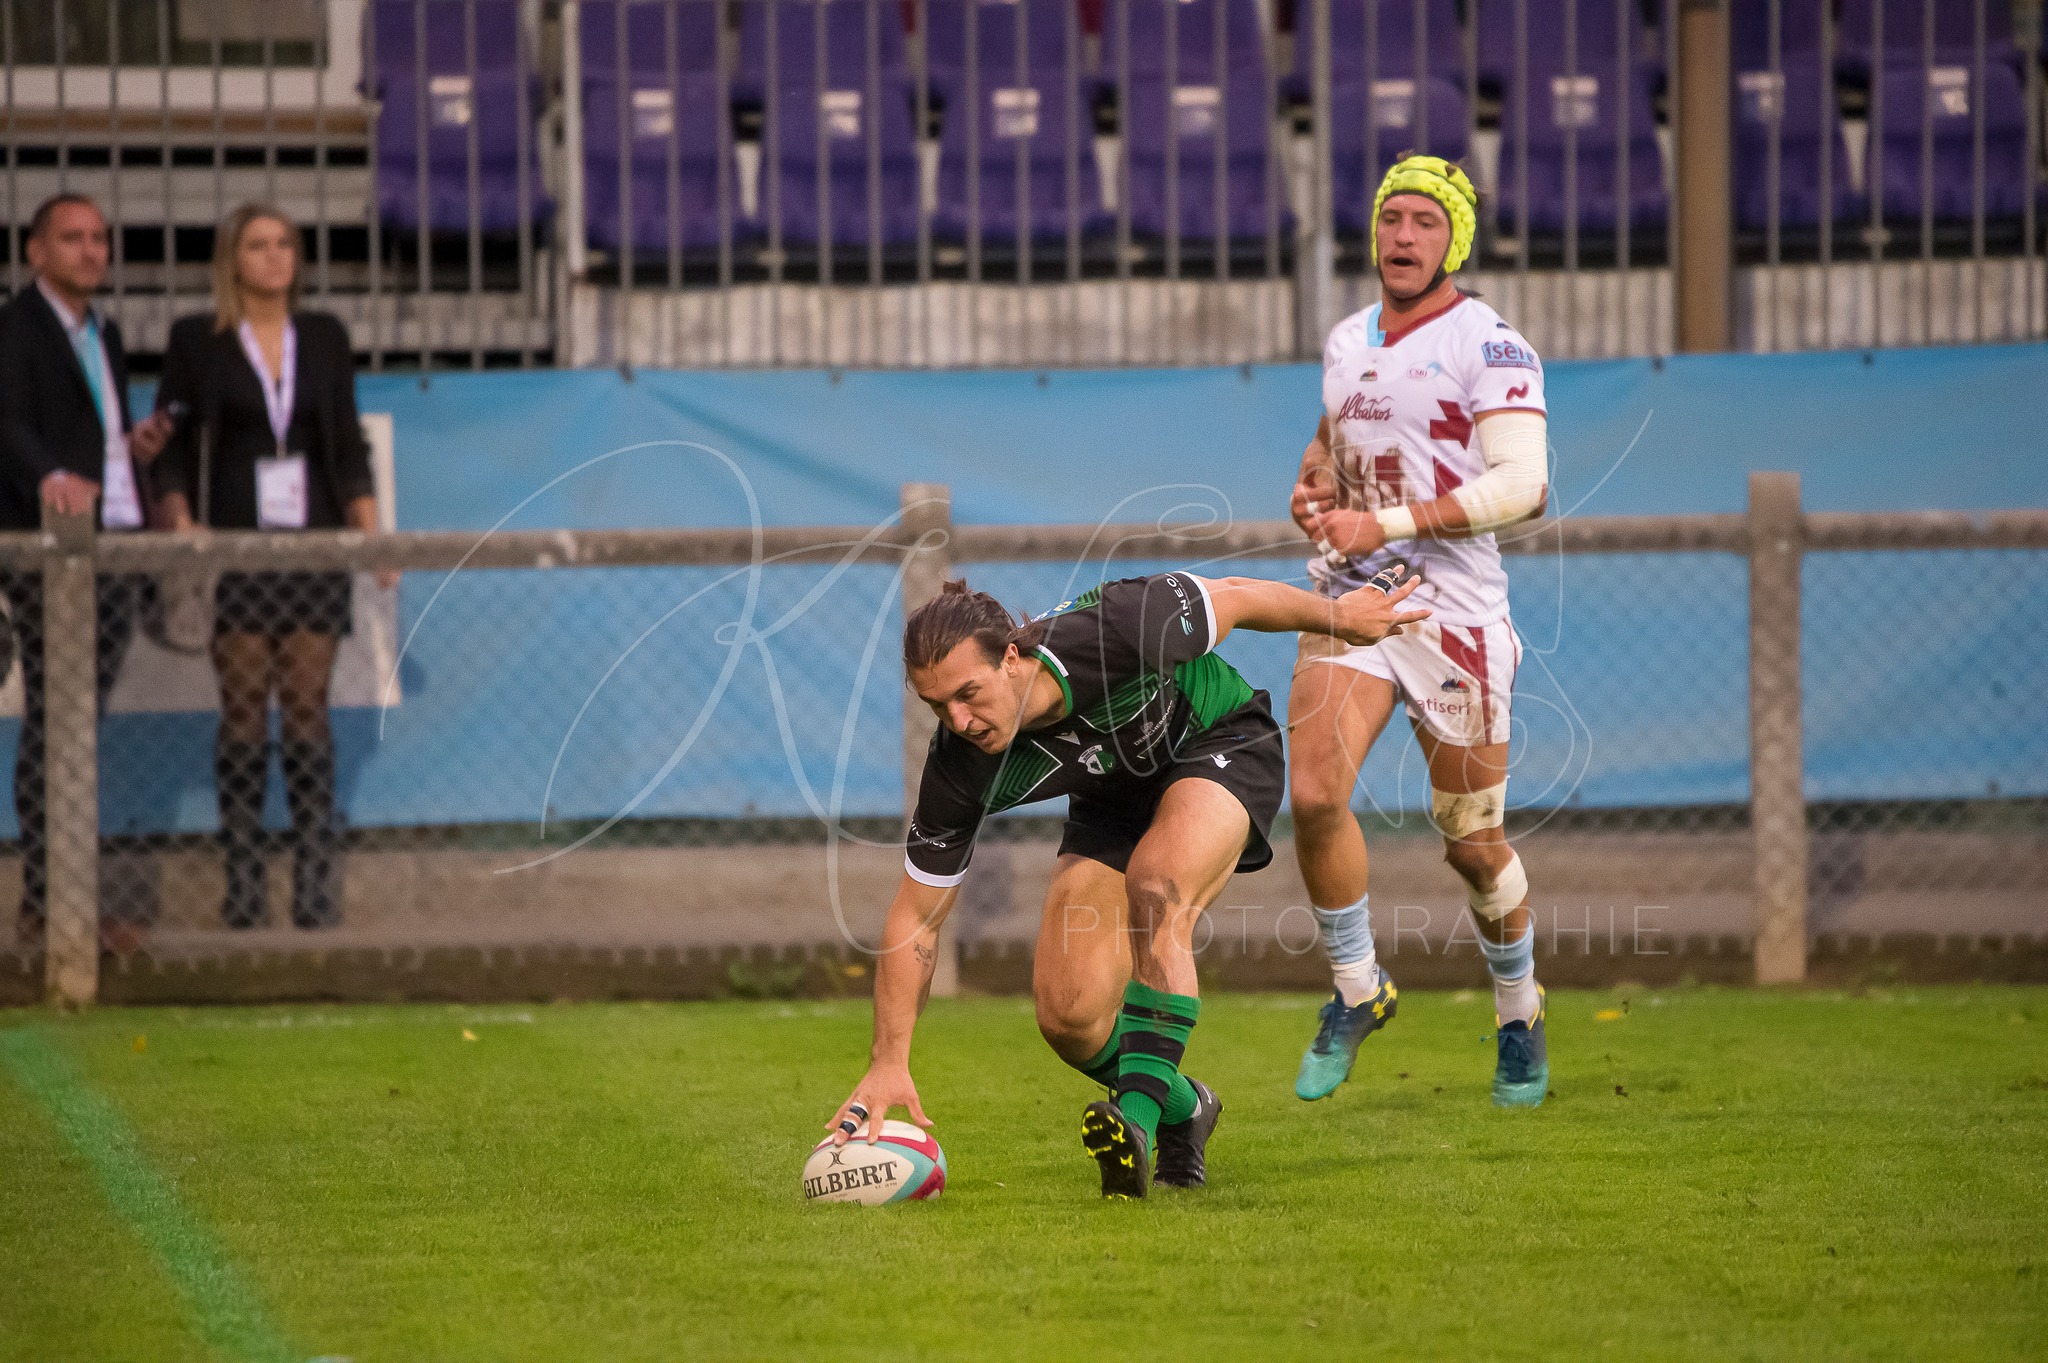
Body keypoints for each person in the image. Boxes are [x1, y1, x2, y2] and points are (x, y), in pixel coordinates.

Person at [828, 567, 1427, 1199]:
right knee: (1069, 1014)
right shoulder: (958, 768)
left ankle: (1135, 1128)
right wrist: (888, 1060)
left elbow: (1241, 597)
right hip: (1112, 798)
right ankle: (1183, 1108)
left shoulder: (1113, 629)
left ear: (1010, 657)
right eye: (936, 707)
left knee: (1156, 887)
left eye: (968, 693)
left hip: (1219, 742)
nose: (960, 721)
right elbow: (916, 917)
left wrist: (1344, 618)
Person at [1285, 155, 1554, 1108]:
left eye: (1425, 223)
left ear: (1456, 241)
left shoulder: (1491, 342)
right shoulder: (1346, 336)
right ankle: (1358, 987)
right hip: (1354, 594)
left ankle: (1518, 1013)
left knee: (1471, 841)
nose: (1403, 236)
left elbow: (1526, 488)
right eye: (1391, 218)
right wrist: (1317, 479)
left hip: (1455, 616)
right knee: (1313, 792)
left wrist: (1387, 523)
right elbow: (1334, 435)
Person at [154, 203, 386, 930]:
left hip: (313, 546)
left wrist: (373, 537)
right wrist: (182, 519)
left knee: (309, 703)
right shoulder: (198, 339)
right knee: (246, 706)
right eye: (258, 245)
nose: (275, 256)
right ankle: (245, 873)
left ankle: (315, 869)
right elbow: (168, 441)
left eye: (285, 243)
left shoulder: (324, 337)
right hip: (237, 549)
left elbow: (346, 444)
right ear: (232, 259)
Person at [0, 193, 173, 944]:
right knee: (57, 722)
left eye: (99, 238)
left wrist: (127, 448)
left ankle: (59, 901)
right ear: (35, 252)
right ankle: (48, 905)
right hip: (52, 553)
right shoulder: (15, 328)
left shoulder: (101, 330)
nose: (90, 250)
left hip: (110, 542)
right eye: (71, 238)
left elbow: (83, 428)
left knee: (77, 725)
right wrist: (47, 477)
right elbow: (6, 420)